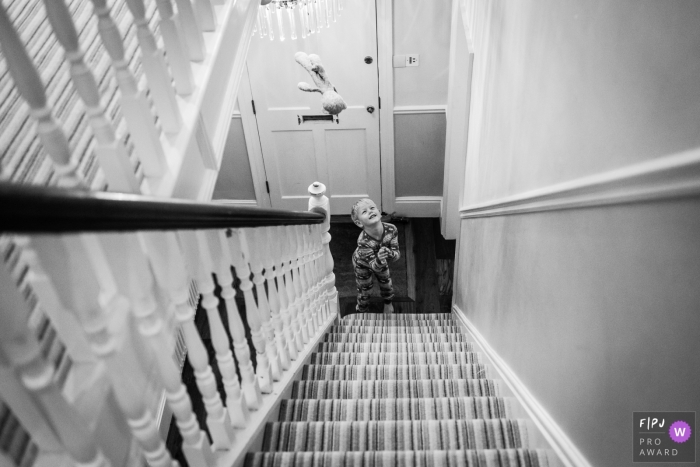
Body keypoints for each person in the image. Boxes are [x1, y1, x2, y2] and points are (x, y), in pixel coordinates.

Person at [350, 198, 400, 314]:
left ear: (379, 211)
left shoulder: (391, 230)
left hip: (380, 260)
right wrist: (379, 259)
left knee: (386, 283)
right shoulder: (363, 241)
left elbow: (397, 255)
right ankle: (362, 310)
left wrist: (390, 254)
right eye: (364, 211)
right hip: (362, 263)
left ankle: (388, 303)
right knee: (365, 290)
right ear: (359, 223)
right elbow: (374, 266)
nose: (370, 211)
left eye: (372, 208)